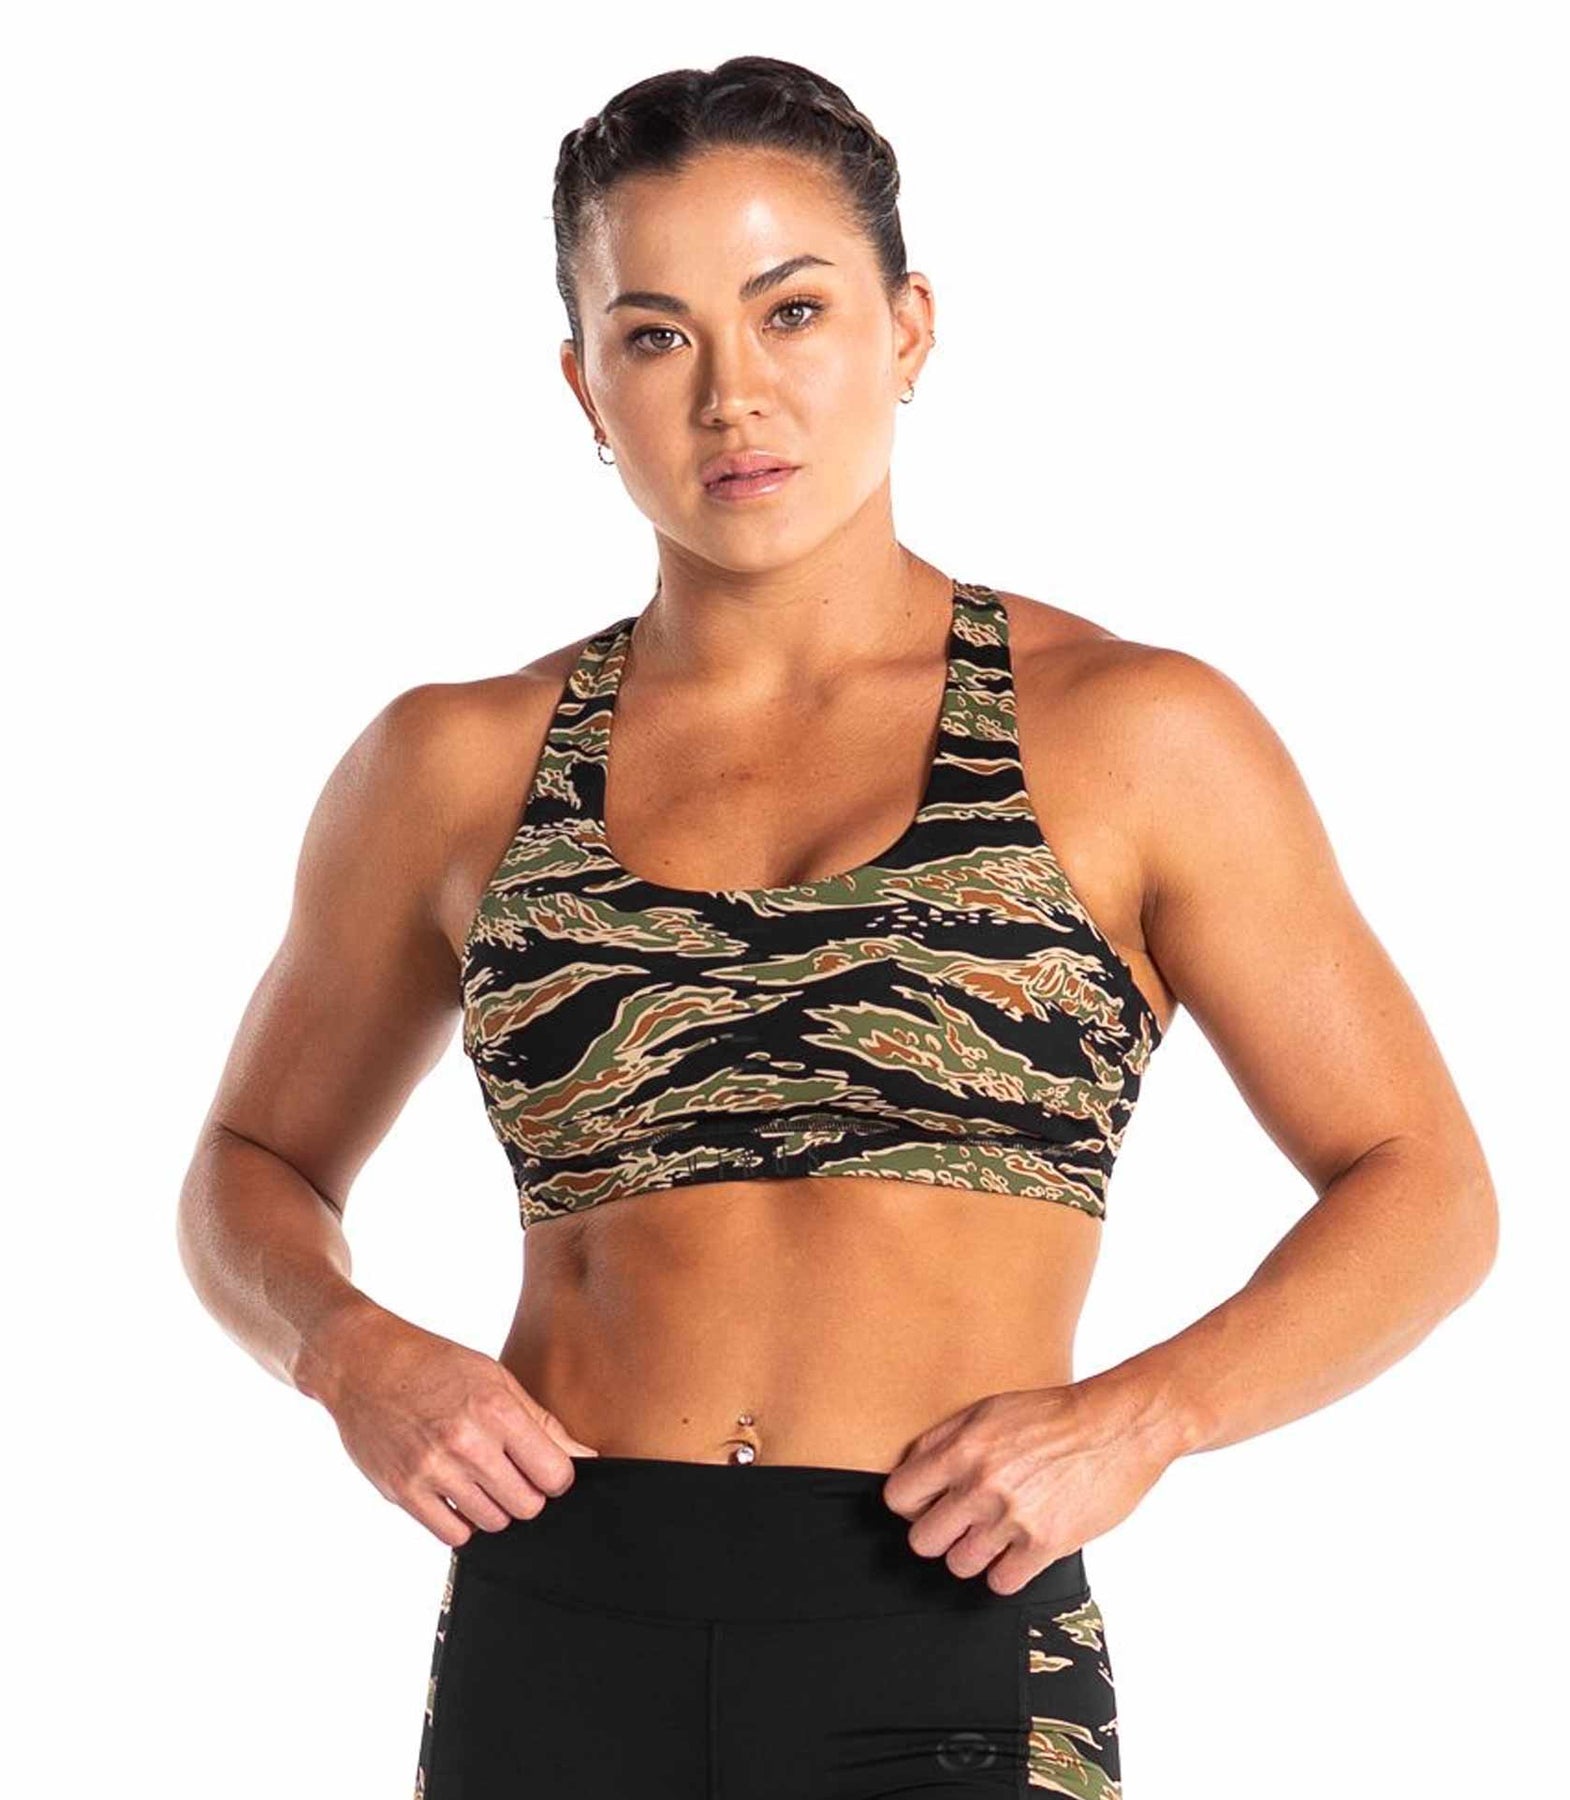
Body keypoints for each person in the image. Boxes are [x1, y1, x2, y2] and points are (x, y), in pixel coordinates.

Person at [175, 54, 1498, 1800]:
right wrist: (350, 1356)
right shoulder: (454, 765)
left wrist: (1143, 1417)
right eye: (655, 336)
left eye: (790, 311)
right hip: (557, 1623)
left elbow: (1422, 1187)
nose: (733, 395)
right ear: (583, 385)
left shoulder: (1129, 734)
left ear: (907, 329)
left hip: (945, 1619)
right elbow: (251, 1165)